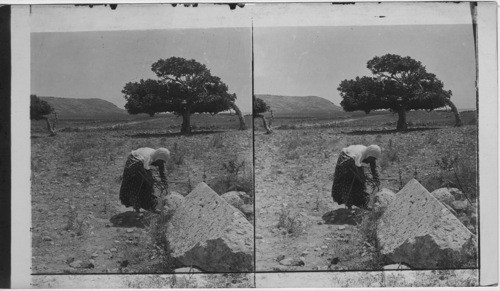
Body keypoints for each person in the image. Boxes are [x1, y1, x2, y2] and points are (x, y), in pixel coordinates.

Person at [119, 147, 170, 213]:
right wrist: (150, 180)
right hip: (135, 162)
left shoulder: (158, 157)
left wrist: (165, 183)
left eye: (163, 162)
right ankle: (137, 210)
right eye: (160, 162)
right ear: (158, 158)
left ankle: (150, 206)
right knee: (136, 186)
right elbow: (146, 172)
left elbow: (162, 172)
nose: (160, 164)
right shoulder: (148, 157)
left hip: (141, 163)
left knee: (148, 185)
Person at [331, 144, 381, 210]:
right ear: (369, 155)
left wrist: (376, 179)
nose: (371, 161)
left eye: (374, 159)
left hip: (354, 159)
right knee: (347, 182)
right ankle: (349, 207)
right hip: (347, 158)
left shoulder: (370, 154)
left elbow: (373, 168)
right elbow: (357, 169)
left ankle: (363, 204)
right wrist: (362, 177)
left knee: (360, 183)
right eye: (371, 159)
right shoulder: (359, 155)